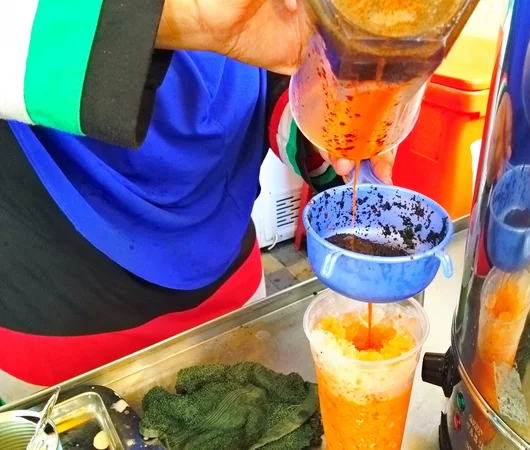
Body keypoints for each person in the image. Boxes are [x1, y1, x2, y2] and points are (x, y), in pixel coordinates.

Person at [0, 0, 396, 404]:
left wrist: (324, 122)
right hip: (67, 321)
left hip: (233, 290)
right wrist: (171, 18)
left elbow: (267, 82)